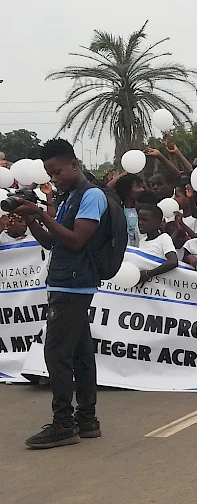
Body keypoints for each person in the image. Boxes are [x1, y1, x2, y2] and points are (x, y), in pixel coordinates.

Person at [14, 138, 111, 448]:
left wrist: (42, 215)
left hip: (73, 284)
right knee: (81, 354)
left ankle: (63, 423)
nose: (53, 178)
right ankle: (86, 420)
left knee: (56, 354)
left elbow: (76, 241)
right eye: (48, 173)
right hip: (65, 281)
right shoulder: (70, 197)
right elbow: (51, 242)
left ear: (74, 164)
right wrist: (31, 218)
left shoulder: (91, 196)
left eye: (56, 172)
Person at [134, 204, 179, 285]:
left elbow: (173, 261)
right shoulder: (142, 242)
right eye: (139, 219)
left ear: (158, 223)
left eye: (145, 220)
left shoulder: (164, 238)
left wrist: (149, 274)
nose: (140, 223)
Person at [115, 173, 144, 246]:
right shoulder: (117, 210)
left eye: (142, 186)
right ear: (126, 189)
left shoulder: (144, 210)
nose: (142, 190)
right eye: (137, 187)